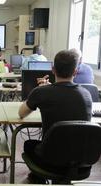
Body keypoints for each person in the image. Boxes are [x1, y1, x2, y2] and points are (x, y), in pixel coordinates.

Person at [18, 49, 92, 183]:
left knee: (29, 144)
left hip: (51, 161)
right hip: (81, 162)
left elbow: (21, 114)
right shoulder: (86, 94)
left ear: (53, 70)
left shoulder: (41, 92)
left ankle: (38, 179)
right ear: (75, 72)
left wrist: (39, 91)